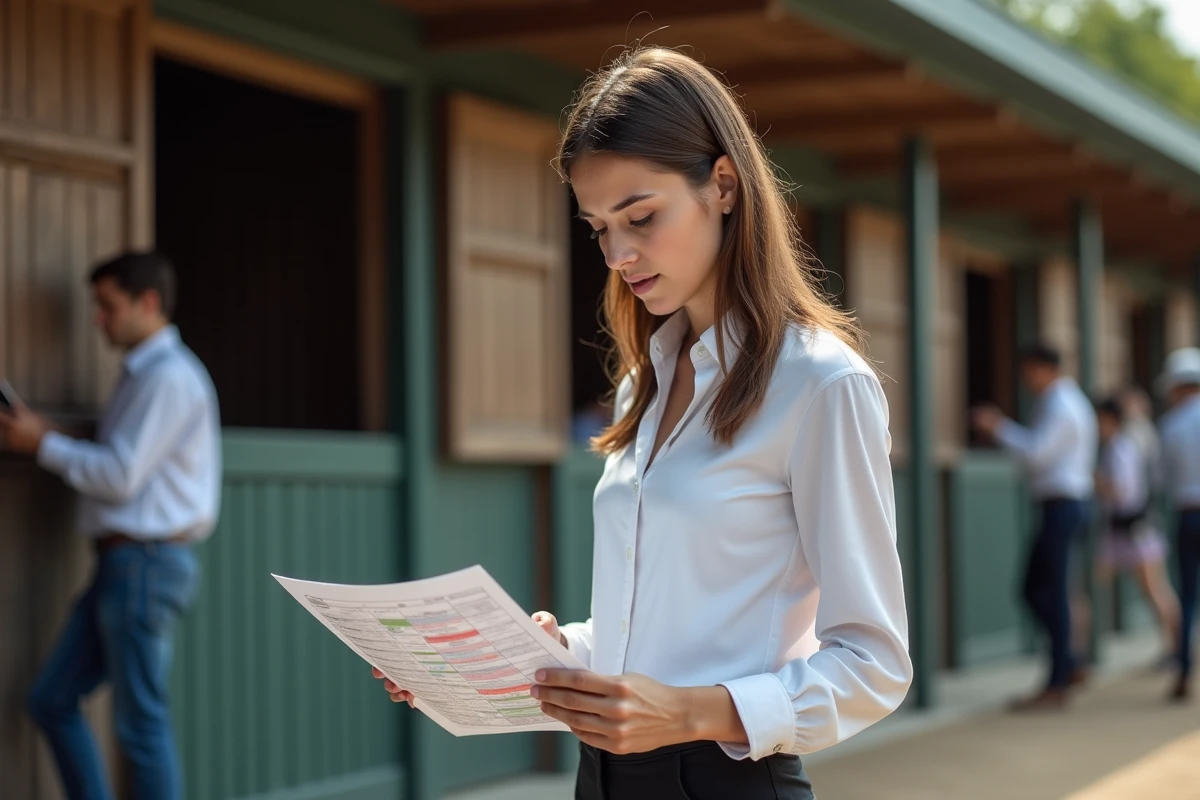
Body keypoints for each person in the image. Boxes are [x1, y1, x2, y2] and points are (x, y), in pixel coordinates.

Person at [375, 46, 912, 798]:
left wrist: (691, 713)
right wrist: (553, 649)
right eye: (598, 227)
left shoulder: (822, 385)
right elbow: (658, 633)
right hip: (601, 781)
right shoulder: (643, 386)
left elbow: (874, 664)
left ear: (723, 185)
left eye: (640, 217)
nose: (619, 254)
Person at [0, 251, 221, 800]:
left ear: (149, 303)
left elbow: (121, 475)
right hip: (126, 564)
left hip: (144, 563)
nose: (97, 319)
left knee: (141, 726)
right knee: (52, 701)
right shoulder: (146, 376)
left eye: (107, 306)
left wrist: (42, 444)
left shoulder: (168, 377)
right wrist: (52, 436)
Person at [972, 344, 1097, 710]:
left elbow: (1038, 453)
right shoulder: (1067, 401)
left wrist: (999, 427)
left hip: (1063, 505)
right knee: (1041, 590)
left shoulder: (1061, 404)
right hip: (1064, 505)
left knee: (1047, 591)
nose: (1026, 380)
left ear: (1043, 369)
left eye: (1029, 371)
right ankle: (1068, 663)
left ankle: (1060, 677)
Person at [1090, 396, 1178, 665]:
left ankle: (1177, 647)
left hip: (1134, 529)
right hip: (1121, 531)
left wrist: (1096, 482)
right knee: (1095, 585)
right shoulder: (1117, 447)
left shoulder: (1122, 448)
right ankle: (1083, 648)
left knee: (1154, 590)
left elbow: (1123, 491)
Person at [1156, 347, 1200, 702]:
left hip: (1188, 513)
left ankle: (1183, 667)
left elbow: (1161, 478)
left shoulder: (1171, 424)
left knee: (1188, 595)